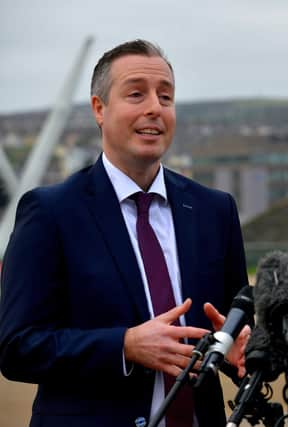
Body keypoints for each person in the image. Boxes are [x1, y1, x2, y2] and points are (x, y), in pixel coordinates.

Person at [0, 39, 249, 427]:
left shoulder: (215, 210)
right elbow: (18, 348)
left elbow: (232, 324)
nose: (154, 107)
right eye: (136, 94)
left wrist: (239, 352)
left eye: (165, 97)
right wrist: (124, 346)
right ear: (99, 109)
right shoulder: (50, 212)